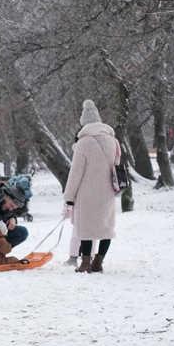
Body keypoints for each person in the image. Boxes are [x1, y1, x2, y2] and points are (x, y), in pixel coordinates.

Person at [64, 99, 119, 273]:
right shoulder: (113, 140)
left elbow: (75, 173)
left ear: (84, 123)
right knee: (106, 227)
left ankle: (85, 263)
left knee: (85, 228)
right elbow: (117, 163)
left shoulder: (83, 143)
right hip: (108, 191)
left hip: (86, 192)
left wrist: (69, 197)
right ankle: (98, 262)